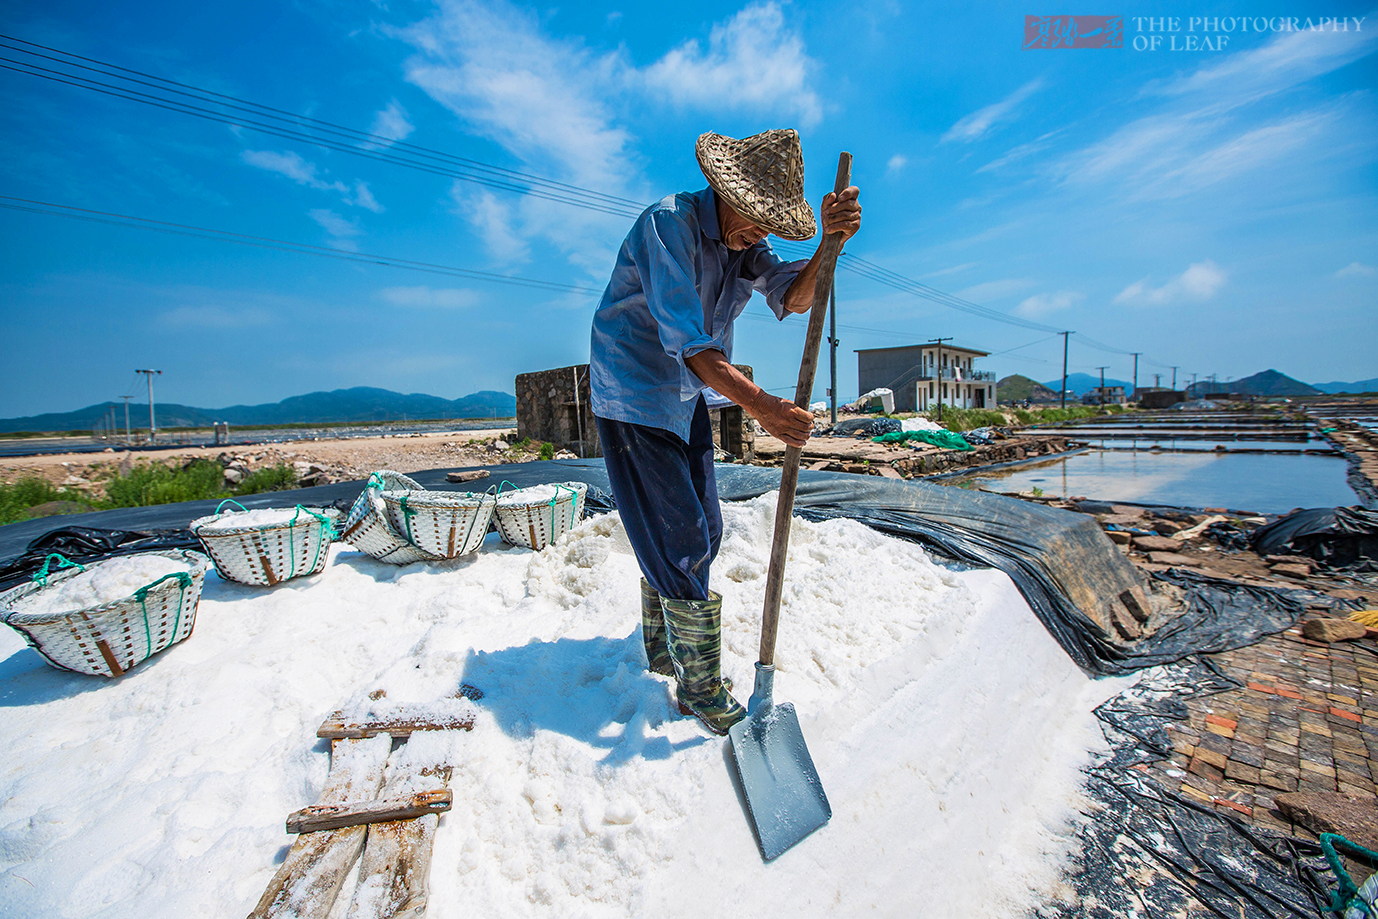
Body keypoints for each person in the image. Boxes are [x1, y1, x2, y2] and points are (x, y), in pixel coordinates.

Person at [588, 129, 861, 734]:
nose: (758, 236)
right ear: (723, 191)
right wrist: (762, 405)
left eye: (769, 226)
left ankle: (667, 648)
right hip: (633, 390)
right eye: (755, 220)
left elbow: (794, 296)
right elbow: (689, 340)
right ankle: (698, 684)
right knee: (680, 534)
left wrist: (829, 244)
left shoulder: (744, 242)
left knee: (705, 525)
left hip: (684, 392)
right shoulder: (669, 226)